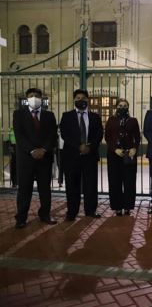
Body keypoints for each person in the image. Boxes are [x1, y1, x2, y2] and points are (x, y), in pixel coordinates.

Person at [13, 88, 58, 228]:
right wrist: (32, 150)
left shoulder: (49, 115)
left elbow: (52, 135)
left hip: (44, 158)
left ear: (41, 98)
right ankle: (21, 218)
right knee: (24, 189)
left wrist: (43, 149)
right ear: (27, 98)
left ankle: (45, 214)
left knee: (45, 189)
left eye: (37, 96)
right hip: (26, 158)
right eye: (31, 96)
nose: (34, 98)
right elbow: (19, 136)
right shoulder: (18, 114)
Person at [60, 89, 103, 221]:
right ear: (74, 100)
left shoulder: (95, 117)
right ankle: (72, 211)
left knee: (90, 185)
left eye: (83, 98)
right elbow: (64, 134)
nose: (80, 100)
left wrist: (89, 147)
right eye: (77, 98)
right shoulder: (67, 116)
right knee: (72, 185)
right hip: (72, 156)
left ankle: (90, 210)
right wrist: (79, 146)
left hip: (90, 156)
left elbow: (99, 135)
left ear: (87, 100)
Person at [105, 98, 141, 216]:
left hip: (129, 155)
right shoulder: (111, 120)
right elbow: (107, 137)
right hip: (114, 155)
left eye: (125, 105)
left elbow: (137, 137)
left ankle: (128, 207)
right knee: (115, 182)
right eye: (120, 105)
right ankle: (117, 207)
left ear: (128, 107)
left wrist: (134, 148)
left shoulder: (133, 120)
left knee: (129, 181)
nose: (122, 107)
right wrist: (115, 149)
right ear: (116, 107)